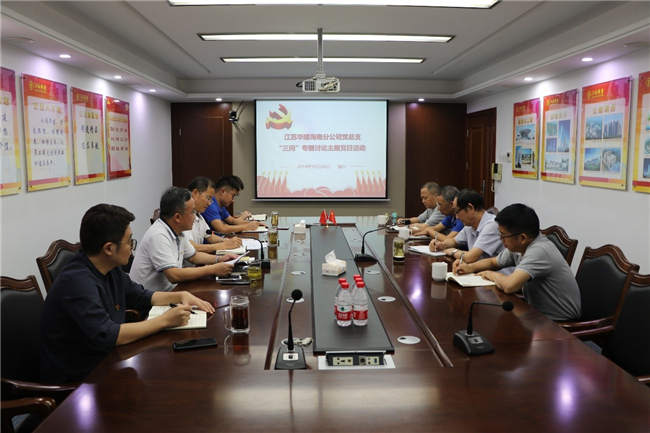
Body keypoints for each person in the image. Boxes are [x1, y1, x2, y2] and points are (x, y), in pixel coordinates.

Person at [40, 204, 215, 384]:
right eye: (129, 242)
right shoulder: (77, 282)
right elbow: (107, 335)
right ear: (109, 248)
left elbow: (141, 296)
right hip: (81, 380)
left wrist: (180, 296)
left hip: (109, 361)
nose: (132, 248)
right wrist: (165, 320)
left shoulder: (110, 267)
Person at [454, 204, 581, 322]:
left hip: (558, 322)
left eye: (503, 235)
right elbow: (493, 262)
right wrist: (469, 267)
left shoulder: (539, 251)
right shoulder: (520, 247)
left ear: (522, 238)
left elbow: (510, 286)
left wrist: (490, 274)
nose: (500, 239)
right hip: (535, 313)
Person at [131, 186, 237, 292]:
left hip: (171, 291)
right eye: (192, 212)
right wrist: (213, 269)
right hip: (150, 298)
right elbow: (174, 275)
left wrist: (219, 259)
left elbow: (194, 256)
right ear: (177, 217)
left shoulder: (178, 231)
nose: (195, 216)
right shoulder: (158, 235)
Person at [431, 188, 506, 267]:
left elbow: (471, 257)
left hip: (497, 273)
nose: (456, 217)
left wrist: (452, 251)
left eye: (457, 212)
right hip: (478, 271)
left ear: (470, 208)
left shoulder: (492, 225)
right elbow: (454, 241)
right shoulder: (470, 224)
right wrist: (441, 245)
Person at [186, 176, 242, 253]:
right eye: (208, 198)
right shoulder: (184, 216)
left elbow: (209, 236)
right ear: (195, 193)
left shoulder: (198, 215)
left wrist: (225, 240)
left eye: (210, 199)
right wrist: (222, 245)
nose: (209, 203)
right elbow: (191, 247)